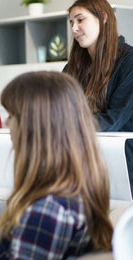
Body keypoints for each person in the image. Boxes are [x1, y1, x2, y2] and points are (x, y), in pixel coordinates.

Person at [0, 71, 112, 259]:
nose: (6, 124)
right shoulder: (77, 191)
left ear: (33, 127)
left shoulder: (47, 211)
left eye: (11, 116)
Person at [64, 0, 133, 191]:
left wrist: (66, 127)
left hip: (124, 165)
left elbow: (113, 120)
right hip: (83, 162)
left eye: (80, 20)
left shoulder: (129, 62)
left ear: (103, 18)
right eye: (71, 23)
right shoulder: (72, 68)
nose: (74, 29)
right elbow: (59, 110)